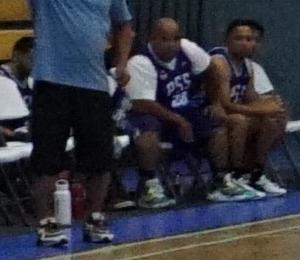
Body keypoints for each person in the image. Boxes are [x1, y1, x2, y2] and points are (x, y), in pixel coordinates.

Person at [0, 0, 132, 250]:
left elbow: (124, 24)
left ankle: (96, 218)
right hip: (52, 81)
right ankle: (47, 222)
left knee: (99, 157)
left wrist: (122, 62)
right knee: (47, 157)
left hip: (94, 83)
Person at [120, 14, 217, 207]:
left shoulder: (187, 50)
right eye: (165, 39)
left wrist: (217, 102)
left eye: (175, 38)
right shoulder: (140, 61)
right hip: (149, 115)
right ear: (152, 38)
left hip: (181, 111)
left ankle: (222, 179)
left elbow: (213, 69)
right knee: (148, 129)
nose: (171, 44)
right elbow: (143, 104)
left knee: (218, 126)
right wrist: (178, 121)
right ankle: (150, 186)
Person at [208, 21, 291, 195]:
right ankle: (236, 174)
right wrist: (262, 109)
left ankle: (255, 173)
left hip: (232, 112)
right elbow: (225, 104)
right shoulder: (219, 63)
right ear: (227, 41)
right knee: (241, 121)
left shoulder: (248, 65)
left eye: (250, 39)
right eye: (239, 38)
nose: (246, 43)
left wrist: (271, 104)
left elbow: (250, 97)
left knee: (273, 118)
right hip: (209, 113)